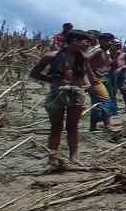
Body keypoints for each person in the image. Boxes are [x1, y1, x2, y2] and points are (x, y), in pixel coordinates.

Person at [29, 30, 92, 165]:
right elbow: (34, 73)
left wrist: (86, 84)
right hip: (57, 93)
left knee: (72, 127)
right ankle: (53, 156)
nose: (88, 45)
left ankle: (74, 156)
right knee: (56, 127)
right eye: (86, 41)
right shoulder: (51, 56)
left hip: (76, 94)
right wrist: (55, 81)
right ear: (75, 41)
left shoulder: (82, 57)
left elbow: (83, 74)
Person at [85, 31, 113, 131]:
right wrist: (92, 75)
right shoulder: (98, 50)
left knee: (96, 103)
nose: (111, 43)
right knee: (105, 101)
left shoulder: (105, 52)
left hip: (103, 79)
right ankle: (107, 125)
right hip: (96, 80)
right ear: (101, 41)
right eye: (108, 41)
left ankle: (93, 127)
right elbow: (85, 60)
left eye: (111, 41)